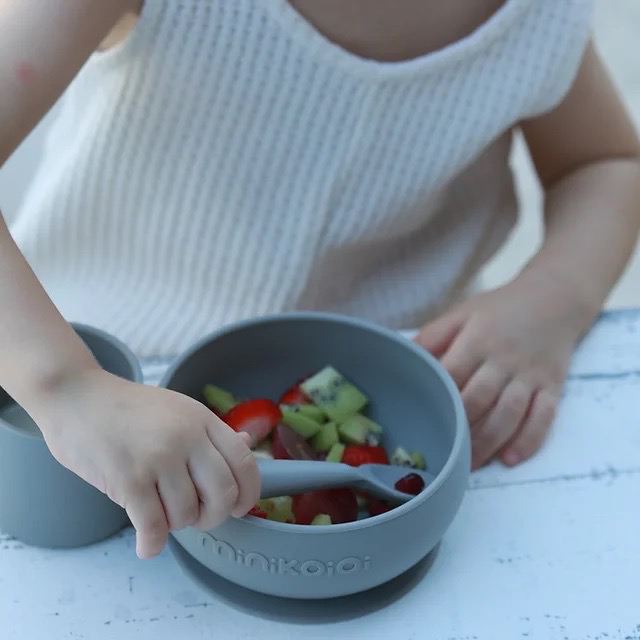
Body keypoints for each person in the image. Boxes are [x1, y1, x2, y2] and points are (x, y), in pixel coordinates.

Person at [1, 0, 638, 560]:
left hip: (396, 389)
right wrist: (68, 385)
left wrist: (554, 296)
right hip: (73, 389)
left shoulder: (536, 13)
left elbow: (606, 162)